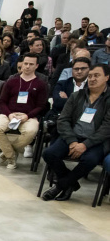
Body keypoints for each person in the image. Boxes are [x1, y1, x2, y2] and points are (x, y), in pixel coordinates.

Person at [40, 63, 110, 201]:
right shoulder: (77, 96)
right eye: (90, 76)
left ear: (107, 77)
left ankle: (61, 186)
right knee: (49, 153)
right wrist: (72, 141)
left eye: (97, 75)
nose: (92, 79)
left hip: (95, 141)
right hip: (73, 137)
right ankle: (70, 184)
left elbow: (107, 128)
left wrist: (85, 145)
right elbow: (63, 120)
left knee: (90, 159)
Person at [0, 53, 48, 169]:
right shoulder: (11, 81)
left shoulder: (41, 84)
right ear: (21, 65)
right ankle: (11, 156)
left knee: (31, 131)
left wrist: (28, 116)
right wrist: (9, 114)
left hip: (28, 116)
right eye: (25, 63)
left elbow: (41, 106)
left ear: (36, 66)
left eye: (31, 64)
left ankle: (7, 153)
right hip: (9, 114)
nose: (27, 66)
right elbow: (2, 102)